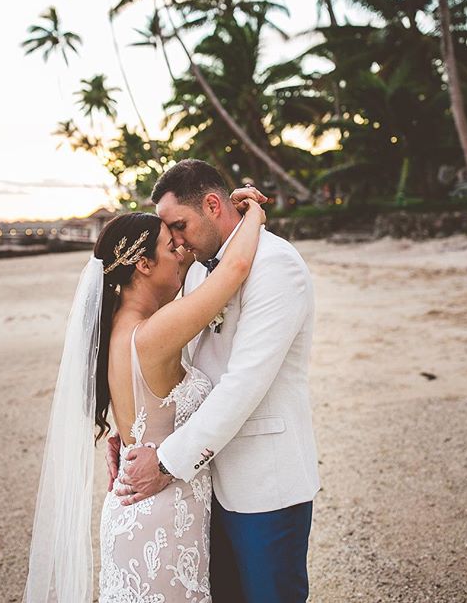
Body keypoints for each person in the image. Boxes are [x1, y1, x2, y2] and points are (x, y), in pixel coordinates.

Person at [21, 192, 265, 603]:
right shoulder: (152, 333)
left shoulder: (115, 330)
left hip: (133, 511)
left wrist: (128, 439)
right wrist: (254, 212)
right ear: (144, 264)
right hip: (162, 519)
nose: (184, 255)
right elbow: (235, 267)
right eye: (172, 248)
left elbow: (138, 411)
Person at [108, 159, 320, 603]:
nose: (178, 242)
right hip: (204, 483)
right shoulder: (203, 271)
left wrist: (165, 460)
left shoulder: (276, 265)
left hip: (263, 484)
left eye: (179, 226)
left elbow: (243, 385)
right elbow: (177, 364)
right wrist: (131, 426)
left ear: (211, 204)